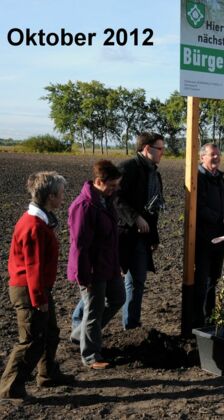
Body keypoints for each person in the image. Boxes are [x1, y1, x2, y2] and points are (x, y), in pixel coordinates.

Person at [0, 172, 72, 399]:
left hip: (36, 288)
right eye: (61, 194)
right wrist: (39, 299)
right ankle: (9, 388)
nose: (63, 198)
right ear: (50, 196)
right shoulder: (35, 226)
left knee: (50, 332)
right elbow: (34, 267)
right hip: (29, 290)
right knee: (31, 340)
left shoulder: (39, 220)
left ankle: (47, 374)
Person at [68, 160, 125, 369]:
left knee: (118, 298)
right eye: (112, 185)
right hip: (92, 269)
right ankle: (91, 356)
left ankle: (79, 334)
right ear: (99, 182)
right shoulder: (83, 206)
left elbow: (112, 239)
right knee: (95, 309)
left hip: (109, 265)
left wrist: (116, 264)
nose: (115, 189)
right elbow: (80, 246)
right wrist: (85, 277)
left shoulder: (106, 201)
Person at [116, 132, 165, 330]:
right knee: (105, 286)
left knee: (137, 281)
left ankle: (131, 326)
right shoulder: (127, 168)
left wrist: (153, 237)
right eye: (159, 148)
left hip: (142, 238)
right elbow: (115, 198)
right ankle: (79, 324)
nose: (162, 152)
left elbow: (153, 209)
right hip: (122, 235)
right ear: (146, 149)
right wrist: (135, 217)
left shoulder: (154, 174)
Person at [194, 143, 224, 327]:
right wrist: (219, 218)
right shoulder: (198, 178)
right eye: (212, 155)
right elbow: (199, 207)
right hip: (204, 239)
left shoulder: (219, 179)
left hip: (219, 240)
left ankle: (209, 318)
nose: (216, 158)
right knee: (202, 281)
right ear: (202, 158)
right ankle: (197, 321)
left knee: (212, 280)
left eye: (218, 155)